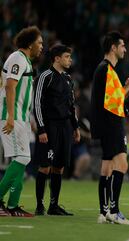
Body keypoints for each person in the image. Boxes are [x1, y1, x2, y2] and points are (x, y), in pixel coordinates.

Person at [90, 31, 129, 225]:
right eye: (122, 45)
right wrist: (128, 88)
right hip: (111, 123)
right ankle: (114, 211)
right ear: (113, 47)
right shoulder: (107, 70)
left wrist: (127, 89)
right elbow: (113, 103)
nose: (125, 49)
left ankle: (104, 212)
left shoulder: (105, 69)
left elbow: (115, 100)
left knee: (107, 167)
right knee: (122, 165)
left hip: (105, 122)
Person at [0, 26, 43, 217]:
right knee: (23, 158)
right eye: (39, 43)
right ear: (30, 43)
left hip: (21, 117)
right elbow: (10, 86)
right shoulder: (18, 58)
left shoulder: (24, 60)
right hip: (12, 116)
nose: (42, 46)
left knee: (23, 158)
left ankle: (12, 206)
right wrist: (10, 116)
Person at [33, 44, 80, 216]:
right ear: (57, 58)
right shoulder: (45, 76)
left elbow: (72, 106)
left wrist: (76, 127)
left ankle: (54, 205)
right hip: (49, 127)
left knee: (59, 167)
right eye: (67, 57)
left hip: (65, 127)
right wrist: (41, 129)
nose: (70, 60)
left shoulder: (68, 79)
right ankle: (39, 205)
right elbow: (36, 103)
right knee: (45, 166)